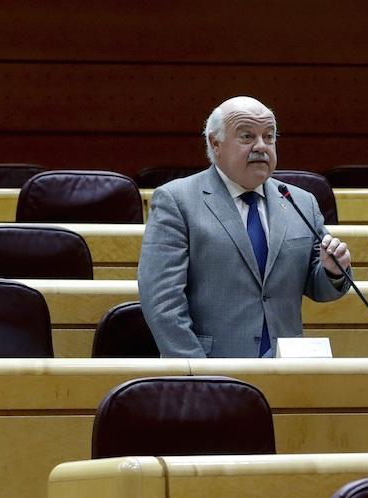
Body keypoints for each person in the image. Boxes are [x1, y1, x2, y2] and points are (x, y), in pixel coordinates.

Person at [138, 96, 352, 358]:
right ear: (215, 143)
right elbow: (162, 302)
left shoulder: (300, 202)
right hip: (211, 370)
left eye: (269, 136)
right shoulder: (177, 201)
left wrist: (333, 271)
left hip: (289, 372)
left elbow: (321, 289)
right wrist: (197, 374)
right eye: (247, 136)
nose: (261, 146)